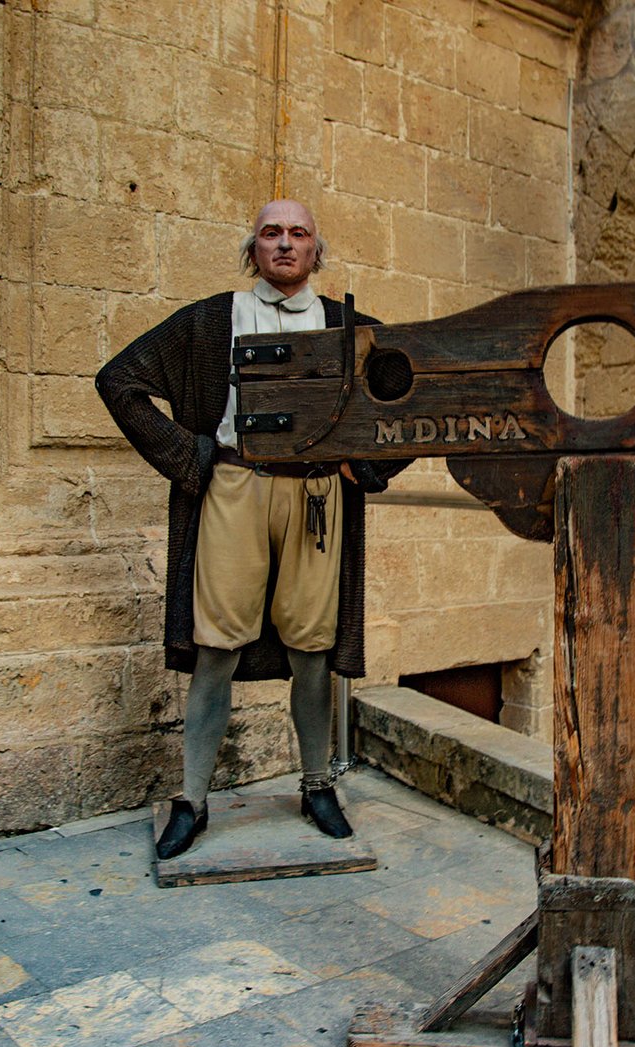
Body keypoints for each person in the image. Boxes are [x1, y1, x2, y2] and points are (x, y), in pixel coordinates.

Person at [95, 199, 405, 860]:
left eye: (299, 234)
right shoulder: (212, 321)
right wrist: (194, 457)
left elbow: (416, 392)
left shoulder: (351, 327)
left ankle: (317, 785)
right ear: (253, 249)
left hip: (318, 497)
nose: (285, 244)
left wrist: (369, 465)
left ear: (316, 250)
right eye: (272, 233)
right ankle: (193, 799)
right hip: (235, 490)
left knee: (313, 649)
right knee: (216, 646)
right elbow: (118, 380)